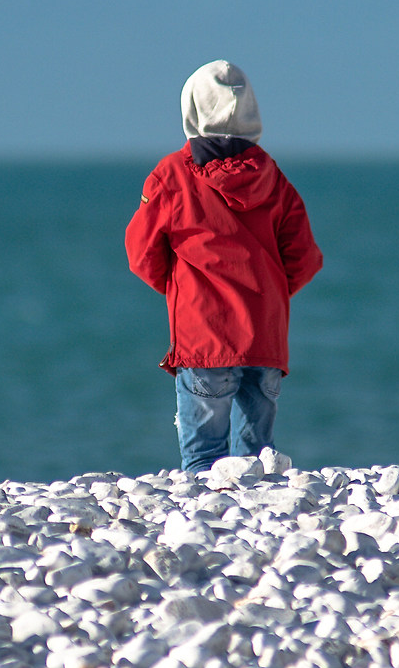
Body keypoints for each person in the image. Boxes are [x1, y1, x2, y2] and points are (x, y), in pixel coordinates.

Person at [125, 60, 324, 472]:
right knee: (257, 465)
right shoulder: (273, 177)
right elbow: (304, 257)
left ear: (192, 110)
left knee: (202, 463)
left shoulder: (172, 175)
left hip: (204, 334)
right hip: (265, 336)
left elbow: (141, 254)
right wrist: (268, 294)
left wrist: (182, 288)